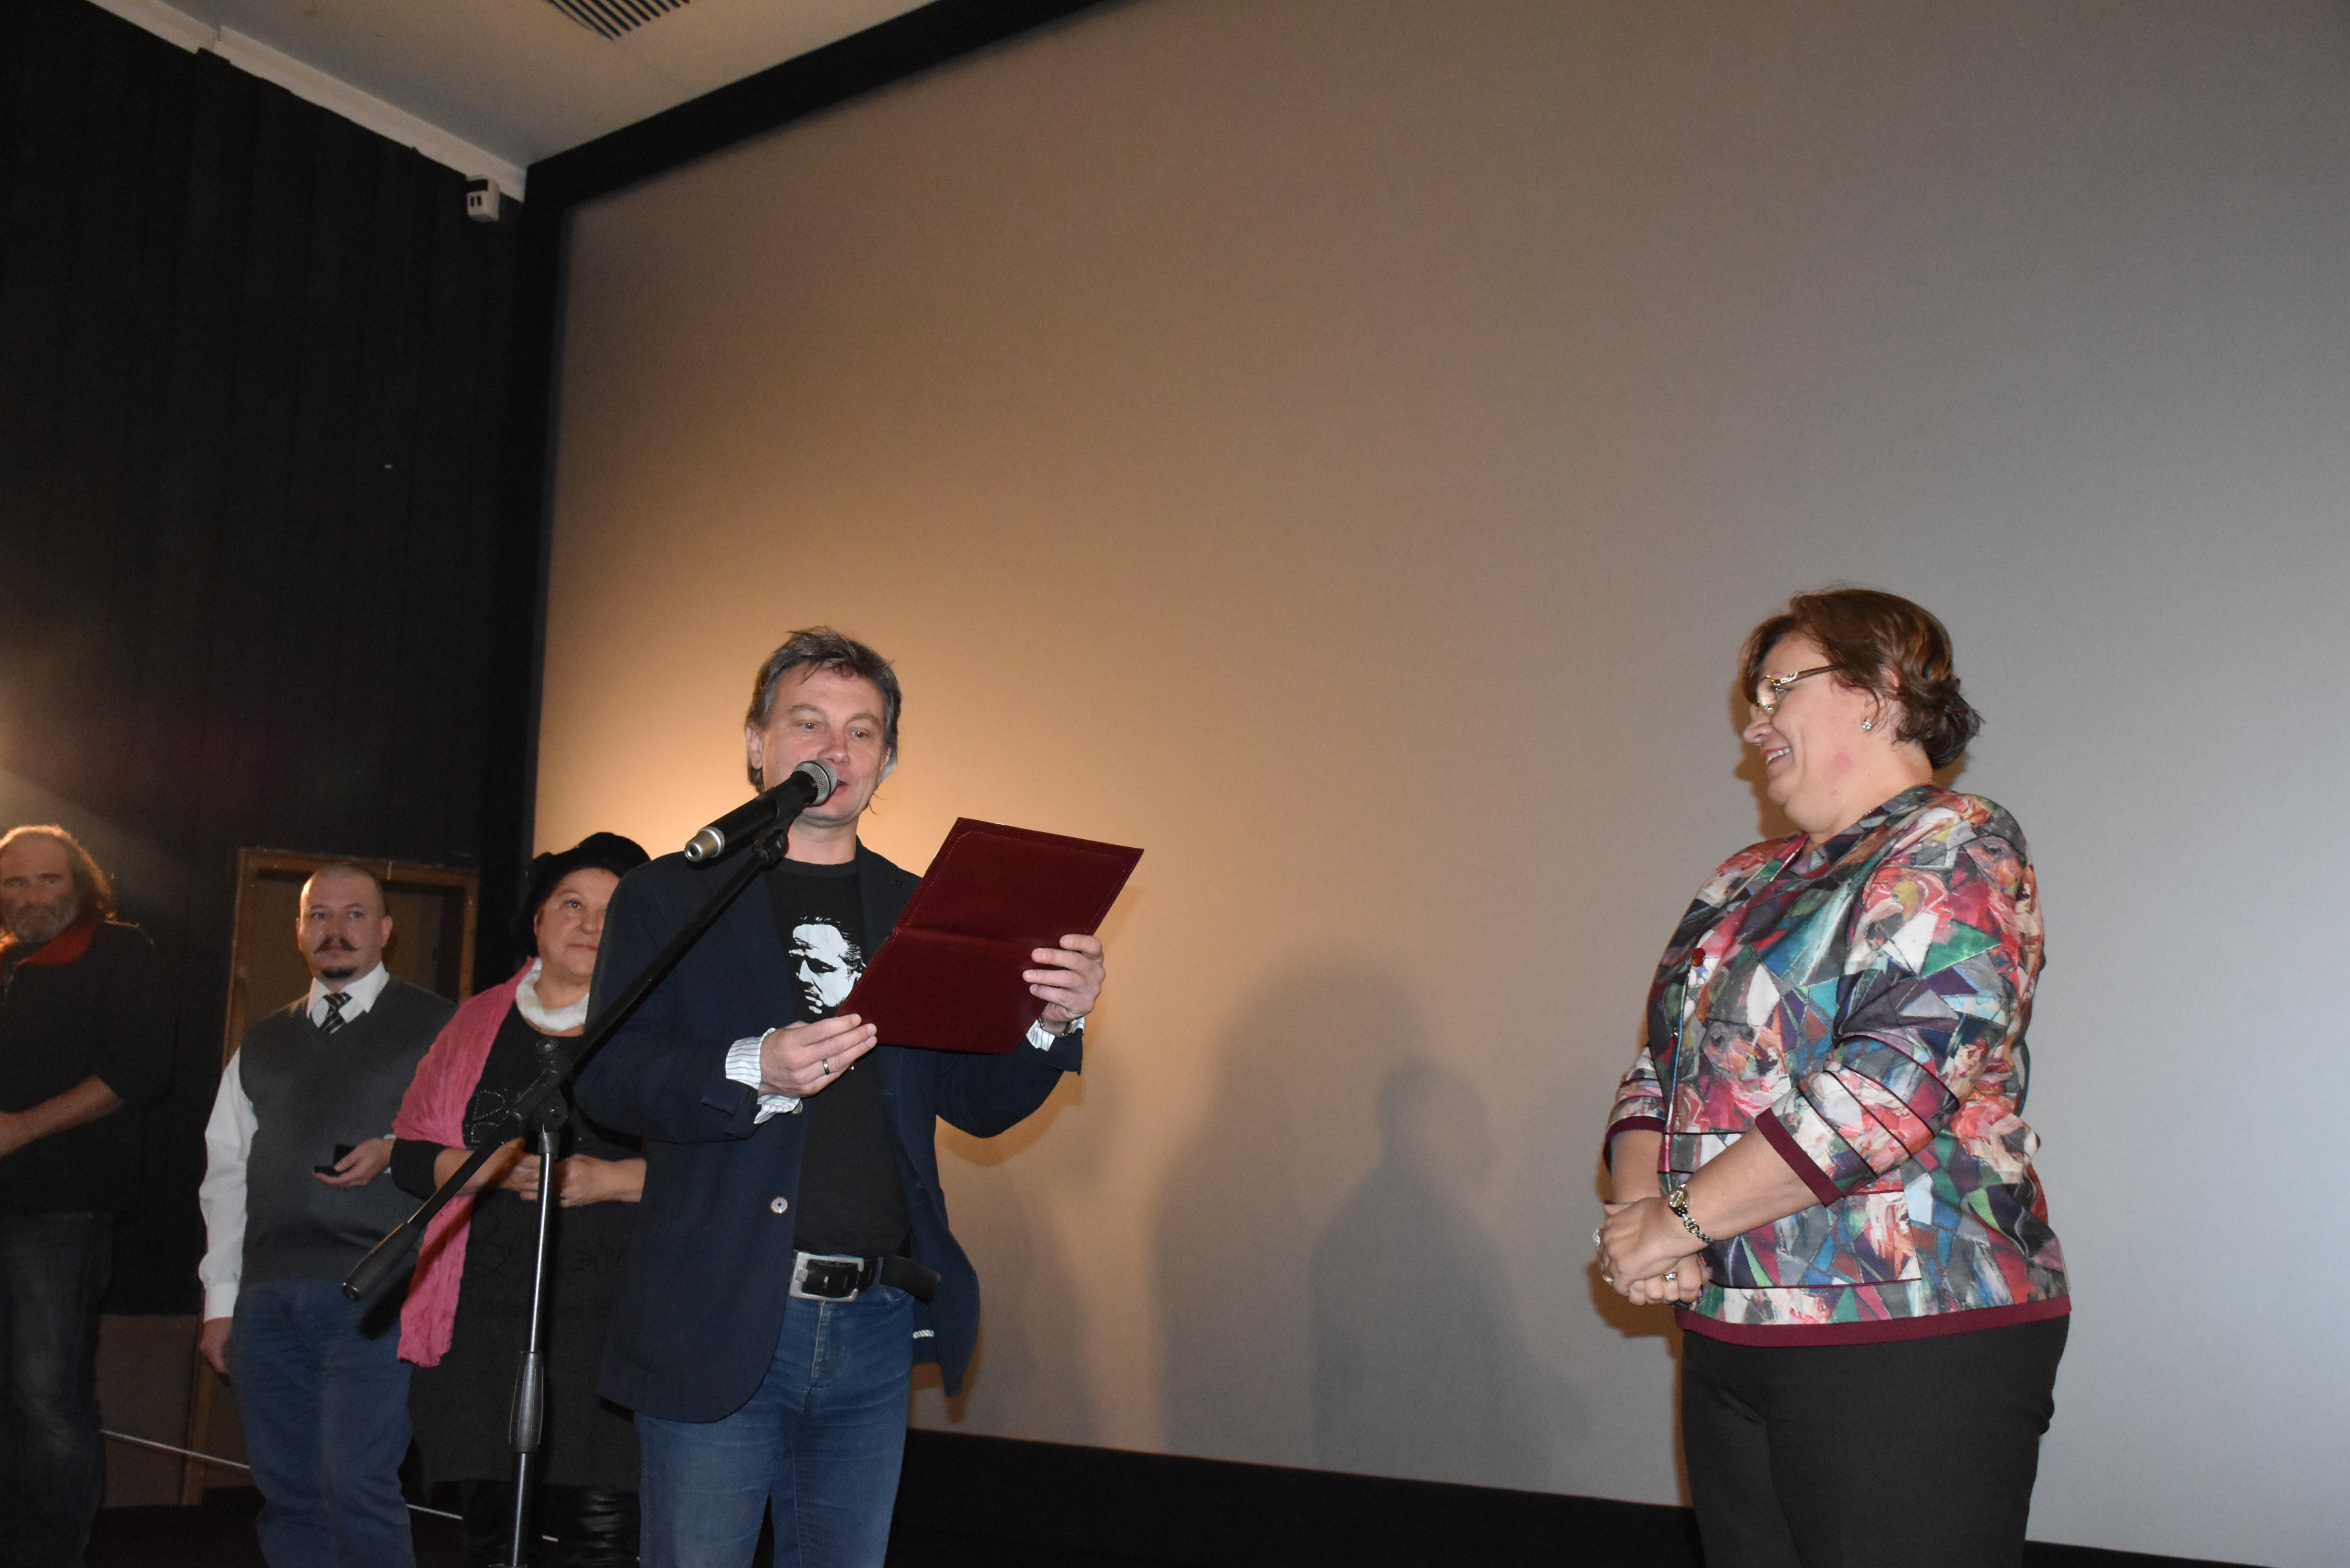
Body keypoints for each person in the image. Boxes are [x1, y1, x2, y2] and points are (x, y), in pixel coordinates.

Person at [573, 627, 1107, 1568]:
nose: (837, 749)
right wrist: (753, 1066)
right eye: (808, 723)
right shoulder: (670, 896)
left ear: (887, 760)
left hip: (873, 1324)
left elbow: (973, 1101)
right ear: (756, 743)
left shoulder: (921, 910)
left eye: (863, 732)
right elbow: (610, 1078)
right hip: (720, 1314)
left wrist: (1050, 1023)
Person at [1597, 587, 2069, 1568]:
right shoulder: (1741, 880)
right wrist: (1647, 1220)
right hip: (1733, 1327)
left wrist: (1679, 1223)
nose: (1755, 724)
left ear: (1880, 690)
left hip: (1910, 1333)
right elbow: (1661, 1070)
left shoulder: (1955, 840)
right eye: (1754, 700)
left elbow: (1890, 1085)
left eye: (1780, 689)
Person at [390, 833, 651, 1567]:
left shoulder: (660, 1028)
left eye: (611, 911)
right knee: (492, 1536)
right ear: (537, 919)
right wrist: (490, 1170)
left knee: (601, 1536)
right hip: (485, 1320)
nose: (589, 925)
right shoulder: (475, 1022)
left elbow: (719, 1173)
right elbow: (409, 1155)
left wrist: (610, 1180)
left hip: (611, 1321)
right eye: (571, 905)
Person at [198, 864, 456, 1568]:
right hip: (267, 1299)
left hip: (381, 1292)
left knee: (358, 1484)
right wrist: (221, 1303)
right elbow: (226, 1174)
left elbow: (476, 1144)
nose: (335, 930)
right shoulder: (263, 1041)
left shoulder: (440, 1026)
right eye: (319, 915)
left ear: (386, 930)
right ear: (299, 930)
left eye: (354, 915)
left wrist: (396, 1153)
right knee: (289, 1493)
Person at [0, 826, 172, 1568]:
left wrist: (22, 1128)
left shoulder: (120, 951)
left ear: (81, 883)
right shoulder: (7, 962)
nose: (32, 895)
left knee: (46, 1397)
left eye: (48, 879)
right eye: (15, 882)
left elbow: (140, 1071)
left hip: (61, 1211)